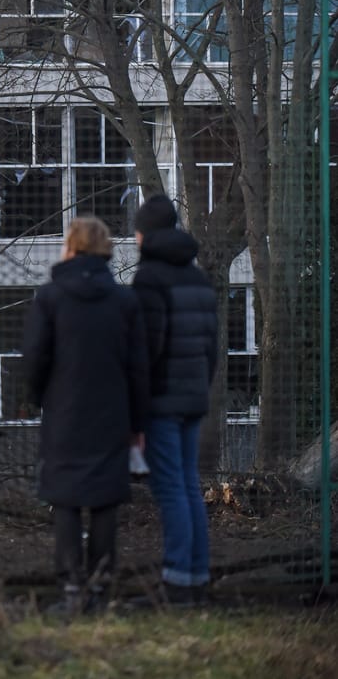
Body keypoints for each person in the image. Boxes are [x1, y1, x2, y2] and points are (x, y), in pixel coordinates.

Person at [23, 217, 149, 612]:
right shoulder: (124, 301)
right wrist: (137, 422)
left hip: (64, 413)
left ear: (72, 247)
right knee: (105, 500)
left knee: (66, 500)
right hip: (111, 414)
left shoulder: (50, 297)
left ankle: (71, 589)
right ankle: (100, 586)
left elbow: (34, 359)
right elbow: (138, 368)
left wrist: (39, 397)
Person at [131, 195, 218, 604]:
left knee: (170, 490)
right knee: (188, 485)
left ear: (143, 234)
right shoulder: (198, 278)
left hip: (162, 400)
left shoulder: (149, 278)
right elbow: (212, 346)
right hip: (193, 397)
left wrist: (137, 409)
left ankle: (179, 580)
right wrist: (199, 387)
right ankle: (196, 576)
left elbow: (145, 350)